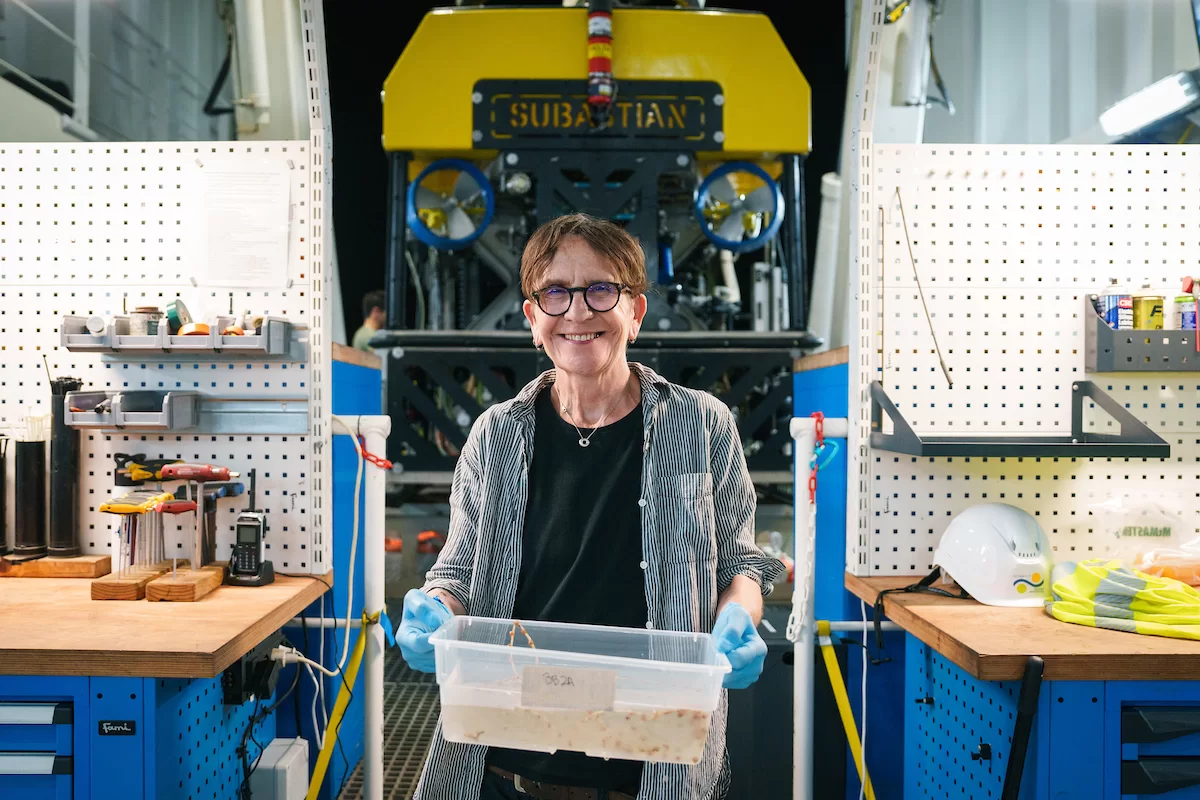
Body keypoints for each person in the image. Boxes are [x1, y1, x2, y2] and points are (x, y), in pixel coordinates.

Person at [398, 213, 785, 800]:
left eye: (601, 289)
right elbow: (457, 570)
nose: (577, 312)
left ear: (634, 311)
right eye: (554, 292)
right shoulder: (494, 434)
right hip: (506, 759)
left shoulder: (701, 423)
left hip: (653, 763)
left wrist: (741, 613)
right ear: (532, 319)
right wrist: (434, 608)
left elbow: (741, 564)